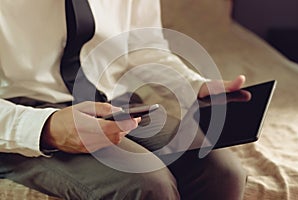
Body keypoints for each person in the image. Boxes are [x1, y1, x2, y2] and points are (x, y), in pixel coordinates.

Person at [0, 0, 246, 199]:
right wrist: (44, 128)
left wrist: (192, 83)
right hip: (22, 108)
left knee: (224, 173)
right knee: (147, 185)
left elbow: (142, 46)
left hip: (113, 99)